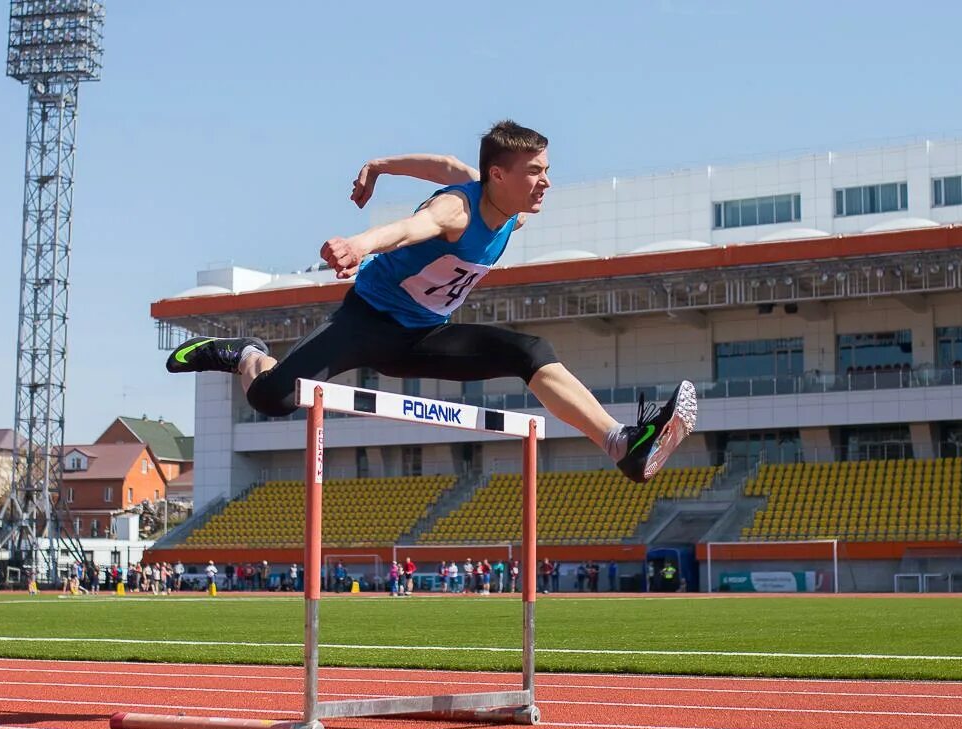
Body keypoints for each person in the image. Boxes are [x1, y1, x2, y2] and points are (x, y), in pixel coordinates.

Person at [165, 121, 697, 485]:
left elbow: (441, 161)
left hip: (424, 338)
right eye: (535, 171)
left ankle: (621, 444)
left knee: (529, 349)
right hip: (367, 322)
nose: (546, 181)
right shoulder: (455, 211)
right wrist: (358, 244)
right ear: (498, 175)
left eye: (546, 169)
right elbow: (407, 229)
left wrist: (377, 165)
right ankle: (247, 353)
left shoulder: (508, 204)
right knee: (272, 398)